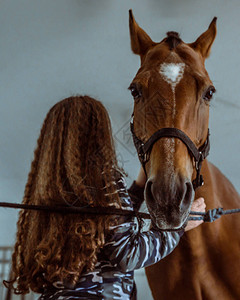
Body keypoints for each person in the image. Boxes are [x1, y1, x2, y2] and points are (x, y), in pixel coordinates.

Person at [4, 96, 205, 299]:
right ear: (97, 135)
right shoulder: (104, 181)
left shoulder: (49, 190)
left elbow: (108, 224)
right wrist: (178, 227)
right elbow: (127, 255)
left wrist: (137, 189)